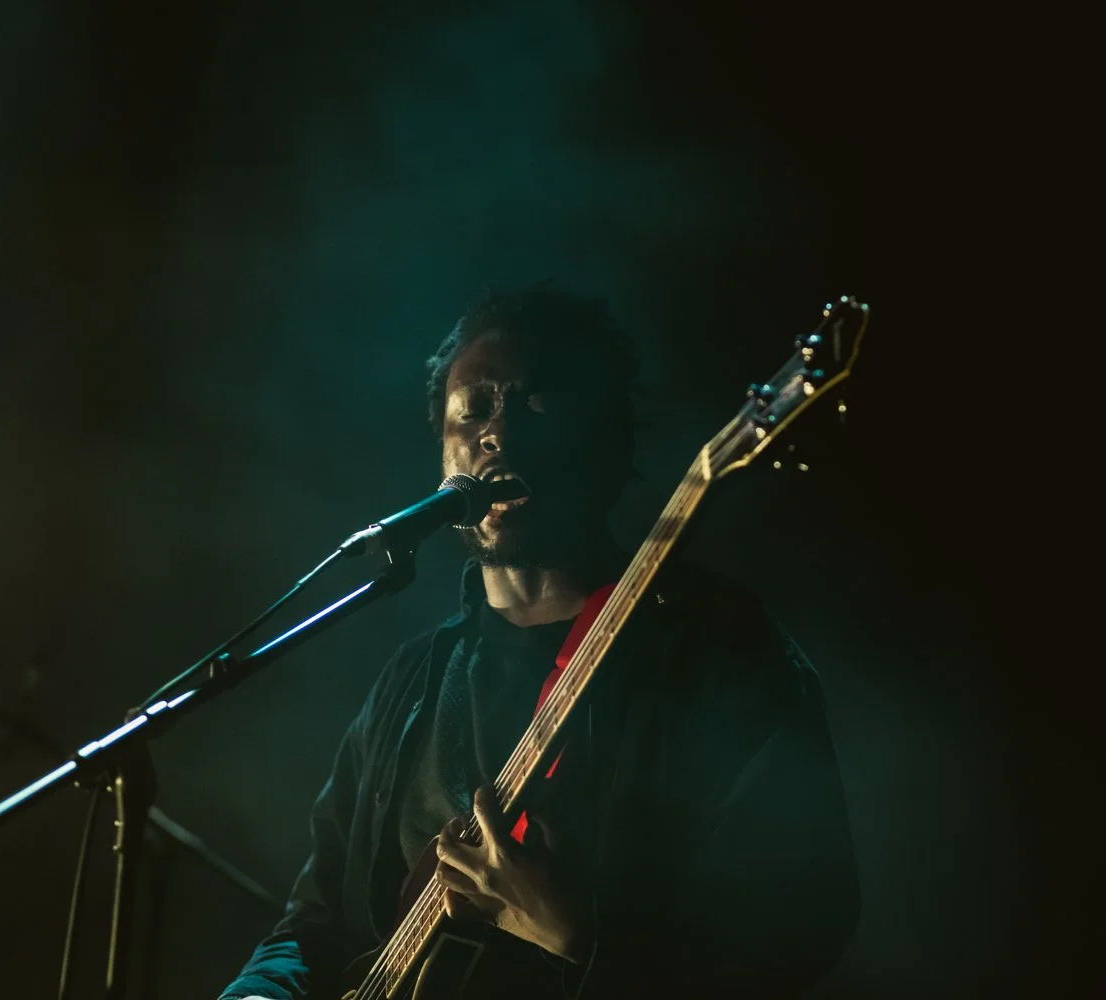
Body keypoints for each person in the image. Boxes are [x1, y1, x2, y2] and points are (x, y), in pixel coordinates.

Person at [218, 284, 860, 999]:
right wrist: (260, 993)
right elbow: (313, 923)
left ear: (607, 442)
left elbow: (804, 924)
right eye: (474, 409)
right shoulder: (414, 680)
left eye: (537, 402)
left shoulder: (716, 650)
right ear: (443, 452)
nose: (498, 432)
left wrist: (579, 937)